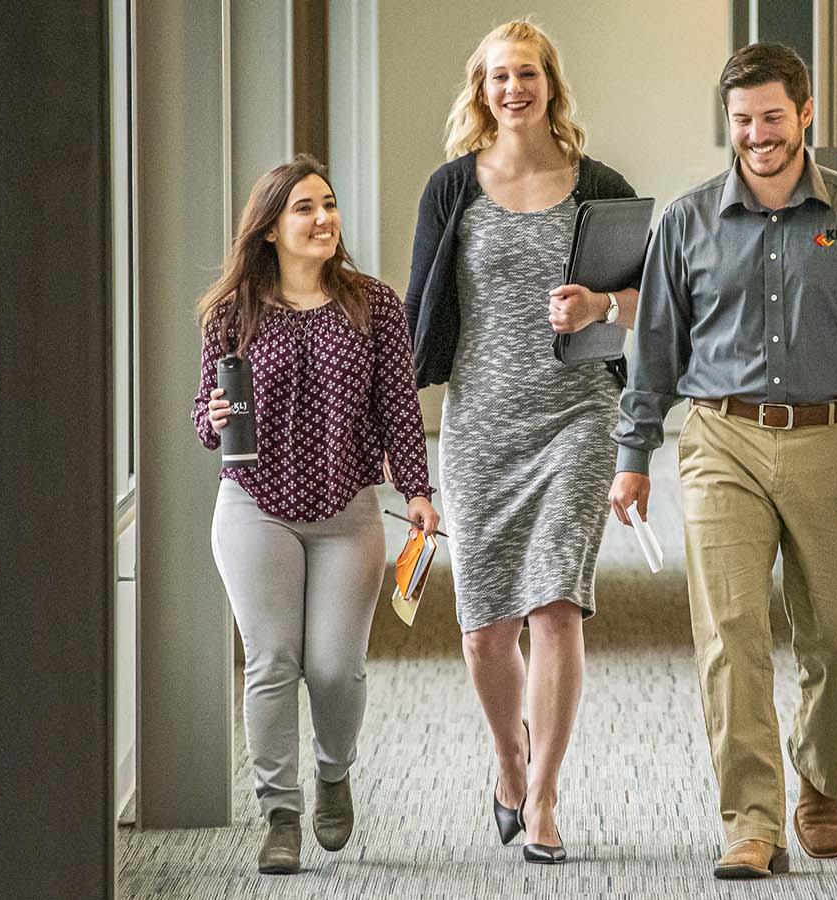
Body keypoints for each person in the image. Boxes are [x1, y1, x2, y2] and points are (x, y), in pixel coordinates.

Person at [609, 42, 837, 880]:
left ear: (806, 114)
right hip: (721, 440)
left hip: (835, 440)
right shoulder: (688, 224)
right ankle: (751, 822)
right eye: (742, 121)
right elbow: (655, 349)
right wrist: (634, 453)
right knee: (731, 635)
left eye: (772, 118)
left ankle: (819, 775)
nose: (757, 136)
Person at [402, 19, 640, 865]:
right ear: (482, 88)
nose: (514, 89)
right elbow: (417, 311)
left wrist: (601, 309)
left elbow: (653, 301)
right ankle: (509, 759)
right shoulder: (452, 188)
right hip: (480, 426)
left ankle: (542, 800)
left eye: (528, 74)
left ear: (551, 84)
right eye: (500, 76)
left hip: (575, 416)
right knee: (483, 630)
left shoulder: (598, 184)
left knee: (556, 605)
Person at [193, 154, 440, 875]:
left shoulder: (374, 304)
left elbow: (399, 406)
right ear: (269, 227)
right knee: (272, 660)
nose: (324, 218)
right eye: (305, 208)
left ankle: (334, 773)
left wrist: (417, 491)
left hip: (346, 507)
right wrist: (212, 416)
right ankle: (281, 812)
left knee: (334, 667)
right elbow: (207, 427)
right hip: (253, 506)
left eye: (328, 205)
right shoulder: (229, 312)